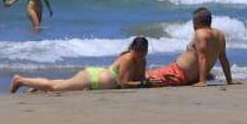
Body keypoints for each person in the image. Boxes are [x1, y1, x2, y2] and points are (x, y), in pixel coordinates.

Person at [10, 37, 150, 93]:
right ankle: (20, 80)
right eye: (138, 52)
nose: (140, 55)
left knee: (61, 84)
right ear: (132, 49)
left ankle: (35, 87)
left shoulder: (141, 60)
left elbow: (139, 79)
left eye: (143, 53)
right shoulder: (128, 58)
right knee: (54, 87)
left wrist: (145, 81)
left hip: (94, 80)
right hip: (91, 79)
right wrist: (142, 84)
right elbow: (124, 83)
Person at [145, 7, 234, 88]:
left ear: (197, 22)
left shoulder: (200, 33)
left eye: (193, 22)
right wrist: (229, 80)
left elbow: (202, 57)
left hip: (178, 73)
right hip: (189, 76)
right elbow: (223, 59)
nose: (193, 26)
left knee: (147, 76)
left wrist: (202, 81)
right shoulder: (220, 35)